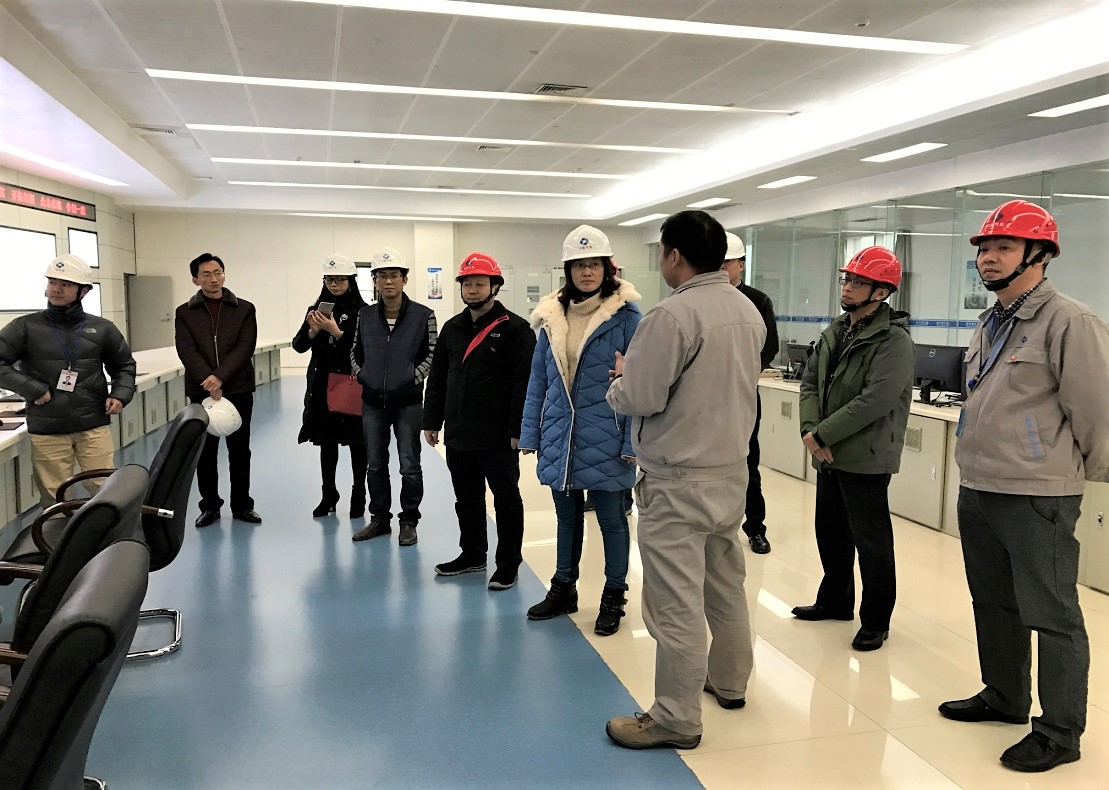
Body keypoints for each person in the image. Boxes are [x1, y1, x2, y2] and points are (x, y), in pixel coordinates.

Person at [939, 201, 1109, 773]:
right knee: (993, 600)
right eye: (985, 249)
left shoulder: (1069, 321)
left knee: (1051, 612)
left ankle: (1060, 731)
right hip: (981, 483)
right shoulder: (992, 321)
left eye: (1004, 247)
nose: (989, 258)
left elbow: (1098, 411)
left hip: (1037, 492)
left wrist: (1083, 477)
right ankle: (1005, 695)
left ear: (1039, 255)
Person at [605, 210, 764, 750]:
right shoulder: (746, 310)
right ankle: (730, 682)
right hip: (729, 474)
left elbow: (642, 396)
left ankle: (675, 716)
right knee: (724, 586)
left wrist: (619, 380)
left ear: (674, 255)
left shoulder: (671, 315)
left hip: (677, 480)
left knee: (675, 604)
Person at [519, 225, 642, 634]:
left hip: (608, 432)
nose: (586, 272)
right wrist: (531, 432)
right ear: (568, 270)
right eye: (578, 265)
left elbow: (639, 383)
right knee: (567, 518)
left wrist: (632, 442)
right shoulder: (552, 317)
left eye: (593, 264)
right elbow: (539, 380)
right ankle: (563, 588)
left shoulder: (627, 318)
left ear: (607, 268)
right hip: (561, 433)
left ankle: (613, 595)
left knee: (612, 519)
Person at [792, 246, 915, 651]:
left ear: (881, 292)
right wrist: (810, 429)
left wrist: (823, 434)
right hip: (828, 450)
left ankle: (876, 620)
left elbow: (876, 399)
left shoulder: (893, 340)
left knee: (871, 540)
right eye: (847, 279)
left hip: (866, 453)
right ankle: (835, 601)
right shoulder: (836, 331)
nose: (847, 287)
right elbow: (810, 383)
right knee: (830, 531)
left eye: (858, 282)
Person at [422, 252, 535, 589]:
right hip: (459, 432)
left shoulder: (516, 329)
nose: (472, 289)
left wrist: (518, 429)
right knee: (467, 498)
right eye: (467, 283)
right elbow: (438, 378)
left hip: (498, 435)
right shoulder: (452, 329)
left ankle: (508, 563)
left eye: (479, 283)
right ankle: (472, 554)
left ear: (494, 287)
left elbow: (524, 384)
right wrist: (432, 420)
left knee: (506, 499)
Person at [0, 254, 136, 507]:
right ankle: (59, 534)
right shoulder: (24, 327)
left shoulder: (102, 328)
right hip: (48, 428)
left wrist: (120, 394)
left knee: (104, 489)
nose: (56, 289)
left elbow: (124, 366)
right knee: (55, 498)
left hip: (93, 425)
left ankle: (105, 531)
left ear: (83, 291)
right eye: (52, 282)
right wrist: (33, 389)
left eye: (65, 284)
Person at [350, 248, 437, 545]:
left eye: (394, 276)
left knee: (409, 464)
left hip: (408, 402)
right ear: (374, 280)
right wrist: (363, 375)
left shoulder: (424, 315)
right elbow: (355, 351)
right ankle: (379, 519)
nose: (388, 281)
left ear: (404, 280)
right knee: (375, 464)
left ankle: (409, 521)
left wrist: (411, 378)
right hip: (372, 402)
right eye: (382, 276)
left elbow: (432, 354)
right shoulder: (364, 316)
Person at [175, 252, 262, 527]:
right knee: (205, 451)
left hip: (237, 387)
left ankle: (242, 505)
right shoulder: (185, 313)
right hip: (201, 390)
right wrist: (208, 379)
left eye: (218, 273)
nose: (214, 279)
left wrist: (220, 377)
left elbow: (245, 346)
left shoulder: (244, 309)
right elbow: (186, 349)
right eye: (206, 274)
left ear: (224, 275)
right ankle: (210, 506)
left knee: (240, 450)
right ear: (195, 280)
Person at [292, 253, 368, 518]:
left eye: (340, 279)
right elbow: (298, 345)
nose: (334, 284)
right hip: (323, 386)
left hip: (351, 385)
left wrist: (336, 331)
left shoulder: (363, 312)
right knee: (327, 442)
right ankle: (329, 494)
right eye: (329, 279)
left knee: (358, 443)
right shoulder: (316, 310)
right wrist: (313, 331)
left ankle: (359, 494)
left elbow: (364, 351)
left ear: (350, 280)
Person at [722, 231, 779, 555]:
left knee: (747, 462)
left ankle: (755, 528)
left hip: (743, 395)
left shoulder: (757, 301)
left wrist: (742, 374)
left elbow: (769, 347)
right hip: (707, 397)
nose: (721, 269)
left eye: (727, 263)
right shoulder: (703, 300)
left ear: (741, 265)